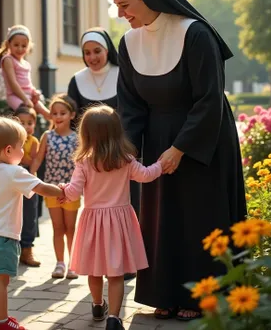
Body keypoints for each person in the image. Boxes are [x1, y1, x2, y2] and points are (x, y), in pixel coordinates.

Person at [111, 0, 247, 321]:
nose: (121, 14)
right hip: (156, 139)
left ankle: (202, 295)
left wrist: (181, 147)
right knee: (159, 218)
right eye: (117, 7)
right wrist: (127, 150)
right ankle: (165, 292)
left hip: (204, 138)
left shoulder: (196, 34)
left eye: (125, 5)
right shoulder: (128, 42)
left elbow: (209, 98)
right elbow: (130, 103)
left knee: (199, 215)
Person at [59, 105, 169, 330]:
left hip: (93, 222)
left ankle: (98, 305)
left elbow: (73, 191)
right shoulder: (125, 159)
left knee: (94, 269)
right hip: (120, 221)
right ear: (116, 130)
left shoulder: (85, 161)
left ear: (86, 133)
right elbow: (147, 176)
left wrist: (61, 190)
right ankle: (115, 318)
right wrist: (161, 165)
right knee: (116, 273)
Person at [0, 116, 63, 330]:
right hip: (0, 237)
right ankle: (2, 323)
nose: (23, 151)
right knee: (1, 281)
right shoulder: (14, 172)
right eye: (21, 146)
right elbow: (41, 188)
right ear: (9, 150)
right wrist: (62, 191)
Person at [68, 27, 141, 281]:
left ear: (107, 51)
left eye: (97, 51)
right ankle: (99, 263)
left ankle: (127, 263)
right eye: (87, 52)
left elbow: (134, 109)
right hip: (93, 156)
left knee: (127, 207)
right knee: (99, 214)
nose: (92, 57)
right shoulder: (77, 79)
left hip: (122, 150)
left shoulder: (122, 74)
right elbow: (74, 118)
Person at [30, 94, 79, 280]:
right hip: (50, 189)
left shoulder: (77, 138)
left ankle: (73, 264)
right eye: (54, 113)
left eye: (63, 113)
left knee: (71, 228)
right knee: (58, 228)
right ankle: (60, 263)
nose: (58, 116)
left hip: (71, 190)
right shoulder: (47, 136)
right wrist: (30, 178)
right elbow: (38, 159)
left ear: (72, 115)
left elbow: (82, 164)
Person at [0, 25, 50, 120]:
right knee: (26, 115)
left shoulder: (26, 64)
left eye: (24, 46)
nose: (20, 49)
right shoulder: (8, 59)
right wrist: (25, 99)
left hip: (28, 95)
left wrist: (34, 92)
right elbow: (13, 83)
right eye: (16, 45)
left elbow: (28, 83)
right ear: (9, 45)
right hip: (15, 96)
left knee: (48, 114)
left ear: (28, 46)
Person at [15, 105, 41, 267]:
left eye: (29, 123)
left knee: (30, 215)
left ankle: (27, 249)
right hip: (12, 178)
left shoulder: (34, 141)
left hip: (29, 178)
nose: (26, 126)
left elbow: (32, 161)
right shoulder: (10, 139)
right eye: (21, 123)